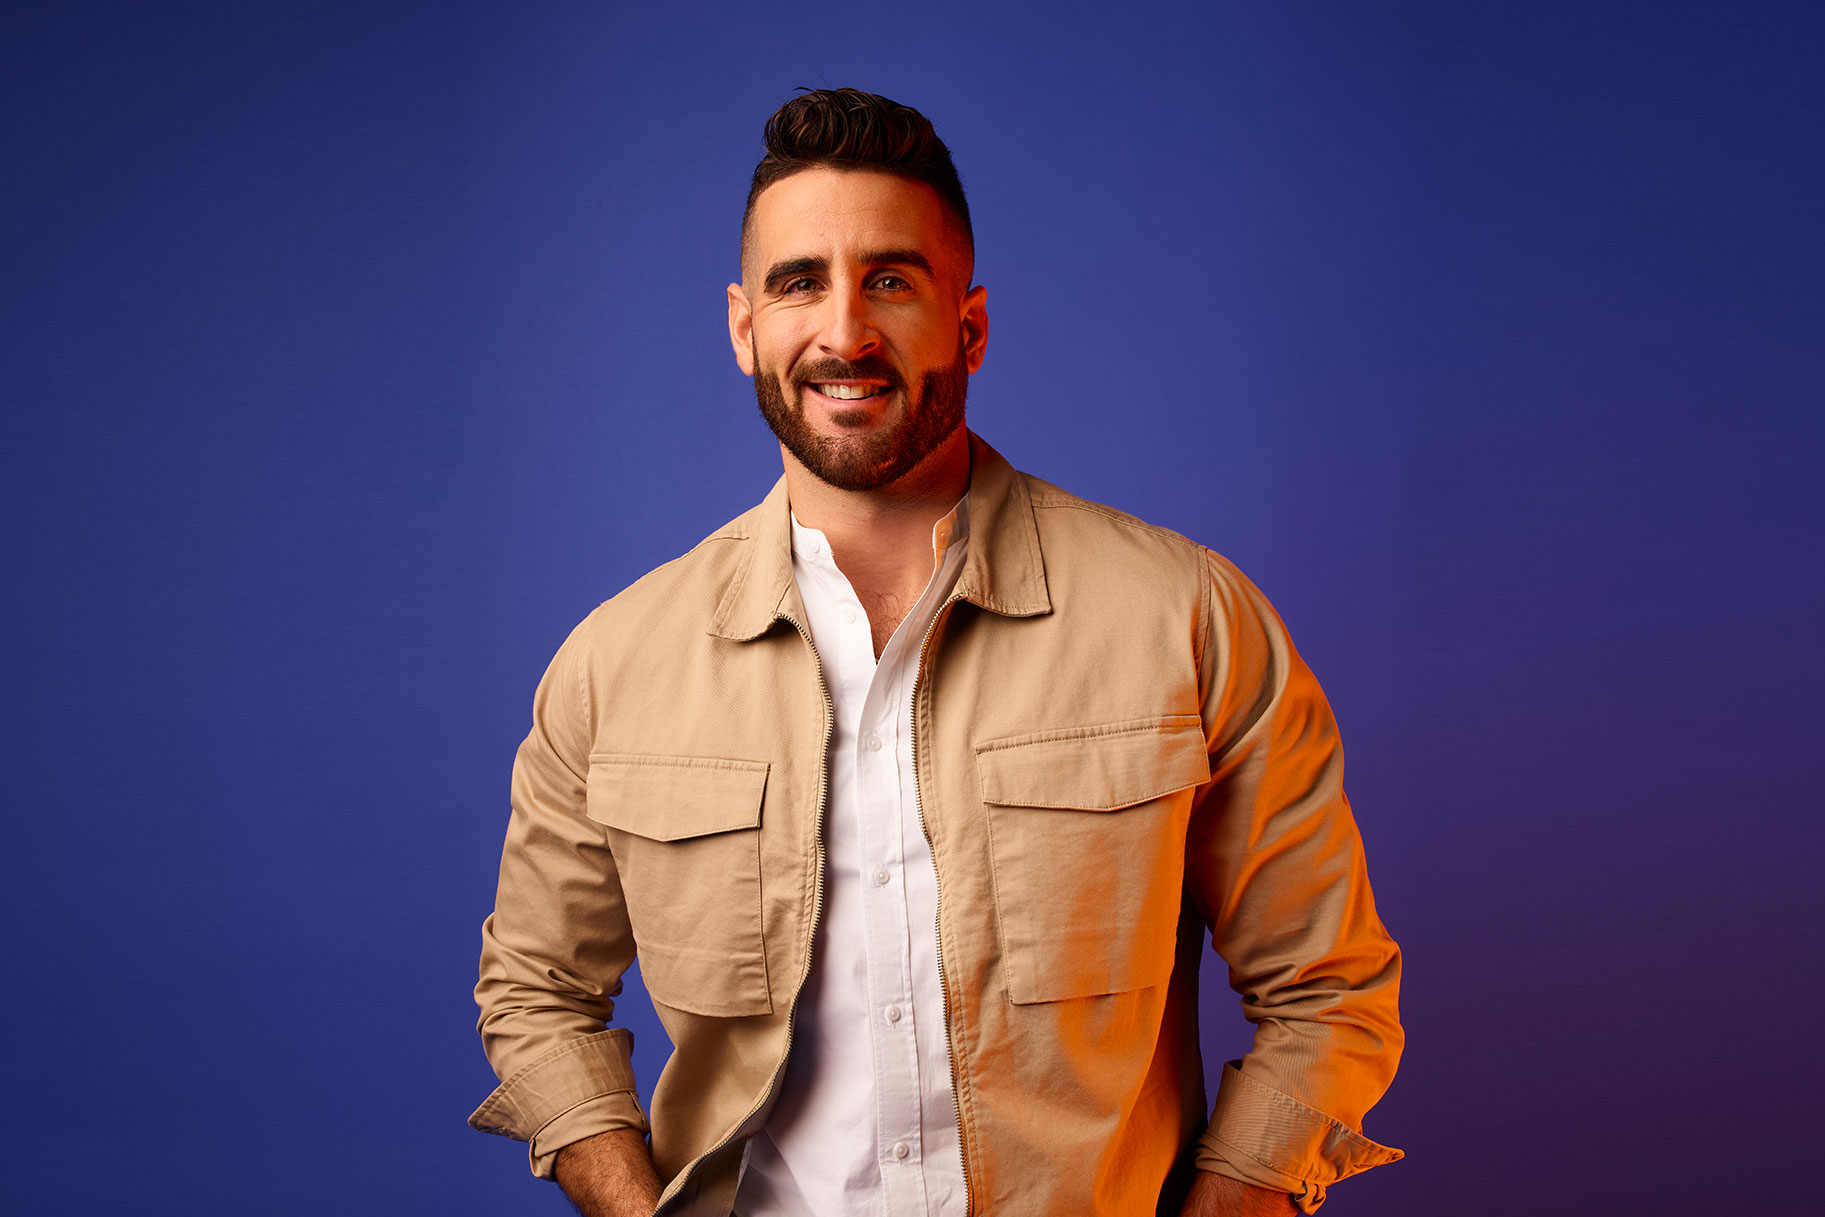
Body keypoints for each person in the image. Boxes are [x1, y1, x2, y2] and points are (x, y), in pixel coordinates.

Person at [470, 88, 1403, 1217]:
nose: (844, 331)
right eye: (798, 281)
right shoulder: (614, 664)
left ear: (969, 324)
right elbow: (537, 992)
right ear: (742, 326)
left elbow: (1330, 990)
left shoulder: (1187, 619)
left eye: (892, 280)